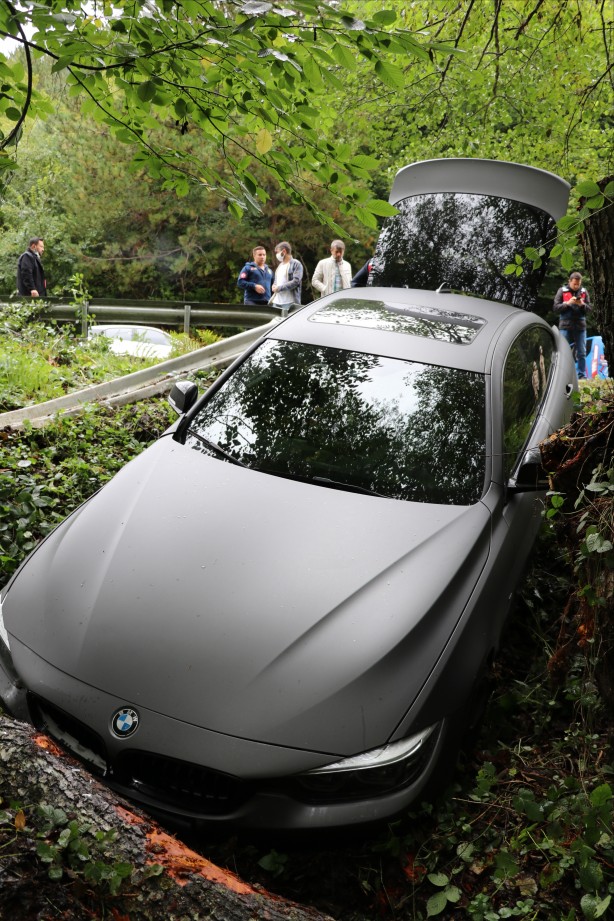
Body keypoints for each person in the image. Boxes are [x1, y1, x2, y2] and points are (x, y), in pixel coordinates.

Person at [553, 271, 592, 379]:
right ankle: (561, 375)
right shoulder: (561, 291)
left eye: (578, 284)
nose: (576, 286)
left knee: (582, 352)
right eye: (574, 284)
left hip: (580, 326)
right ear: (569, 281)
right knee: (562, 351)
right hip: (565, 326)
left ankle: (581, 375)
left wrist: (582, 305)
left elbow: (589, 309)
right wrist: (568, 303)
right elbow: (555, 308)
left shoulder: (584, 292)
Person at [270, 241, 303, 310]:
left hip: (290, 303)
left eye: (277, 252)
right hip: (276, 302)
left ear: (284, 251)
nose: (277, 255)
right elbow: (277, 280)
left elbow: (296, 281)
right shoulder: (280, 265)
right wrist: (274, 285)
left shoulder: (296, 264)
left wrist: (279, 288)